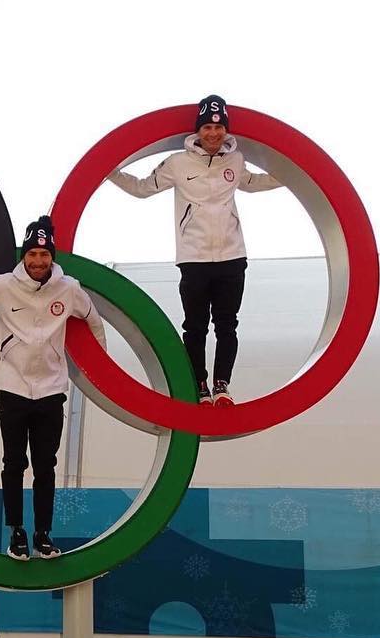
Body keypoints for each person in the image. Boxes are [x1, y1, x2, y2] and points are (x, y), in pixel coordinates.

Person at [0, 216, 107, 561]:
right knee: (14, 462)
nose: (38, 262)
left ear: (52, 256)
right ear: (24, 255)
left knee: (46, 465)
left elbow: (93, 319)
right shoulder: (2, 286)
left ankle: (43, 534)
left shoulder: (69, 288)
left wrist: (99, 370)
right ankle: (16, 532)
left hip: (51, 389)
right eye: (32, 255)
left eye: (44, 255)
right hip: (12, 386)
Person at [109, 94, 283, 406]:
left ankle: (222, 385)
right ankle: (199, 384)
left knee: (227, 324)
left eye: (219, 128)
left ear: (226, 131)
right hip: (194, 258)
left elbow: (253, 182)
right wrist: (109, 171)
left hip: (232, 256)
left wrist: (293, 174)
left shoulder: (236, 160)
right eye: (207, 127)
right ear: (198, 131)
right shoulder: (178, 163)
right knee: (195, 326)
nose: (213, 134)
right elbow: (141, 188)